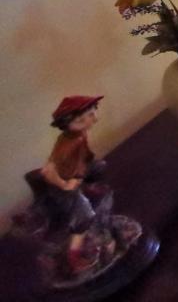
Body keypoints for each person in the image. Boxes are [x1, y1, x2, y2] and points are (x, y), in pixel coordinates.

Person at [39, 95, 106, 276]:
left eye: (92, 114)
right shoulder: (69, 144)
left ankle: (87, 189)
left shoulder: (79, 134)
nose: (91, 120)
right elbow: (47, 170)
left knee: (99, 166)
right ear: (68, 123)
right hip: (63, 186)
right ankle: (73, 257)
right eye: (82, 119)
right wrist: (64, 184)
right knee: (85, 217)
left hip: (77, 177)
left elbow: (85, 158)